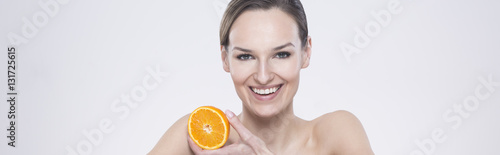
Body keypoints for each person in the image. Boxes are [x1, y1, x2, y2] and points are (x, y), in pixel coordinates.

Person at [149, 0, 374, 154]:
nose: (263, 76)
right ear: (225, 59)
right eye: (246, 56)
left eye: (281, 54)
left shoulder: (336, 133)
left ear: (306, 53)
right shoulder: (199, 133)